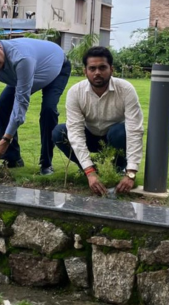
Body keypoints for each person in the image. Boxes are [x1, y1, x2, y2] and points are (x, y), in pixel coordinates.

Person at [0, 36, 71, 175]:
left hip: (56, 68)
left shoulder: (21, 58)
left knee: (48, 110)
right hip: (24, 76)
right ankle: (12, 159)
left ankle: (46, 164)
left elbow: (21, 101)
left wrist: (6, 139)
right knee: (3, 105)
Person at [53, 47, 144, 196]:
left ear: (111, 69)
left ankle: (119, 169)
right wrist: (89, 171)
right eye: (92, 68)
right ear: (85, 71)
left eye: (102, 67)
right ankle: (90, 170)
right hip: (90, 135)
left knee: (120, 132)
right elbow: (75, 132)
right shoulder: (75, 92)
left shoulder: (126, 89)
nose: (97, 73)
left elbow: (135, 130)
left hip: (115, 138)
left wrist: (131, 173)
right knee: (60, 132)